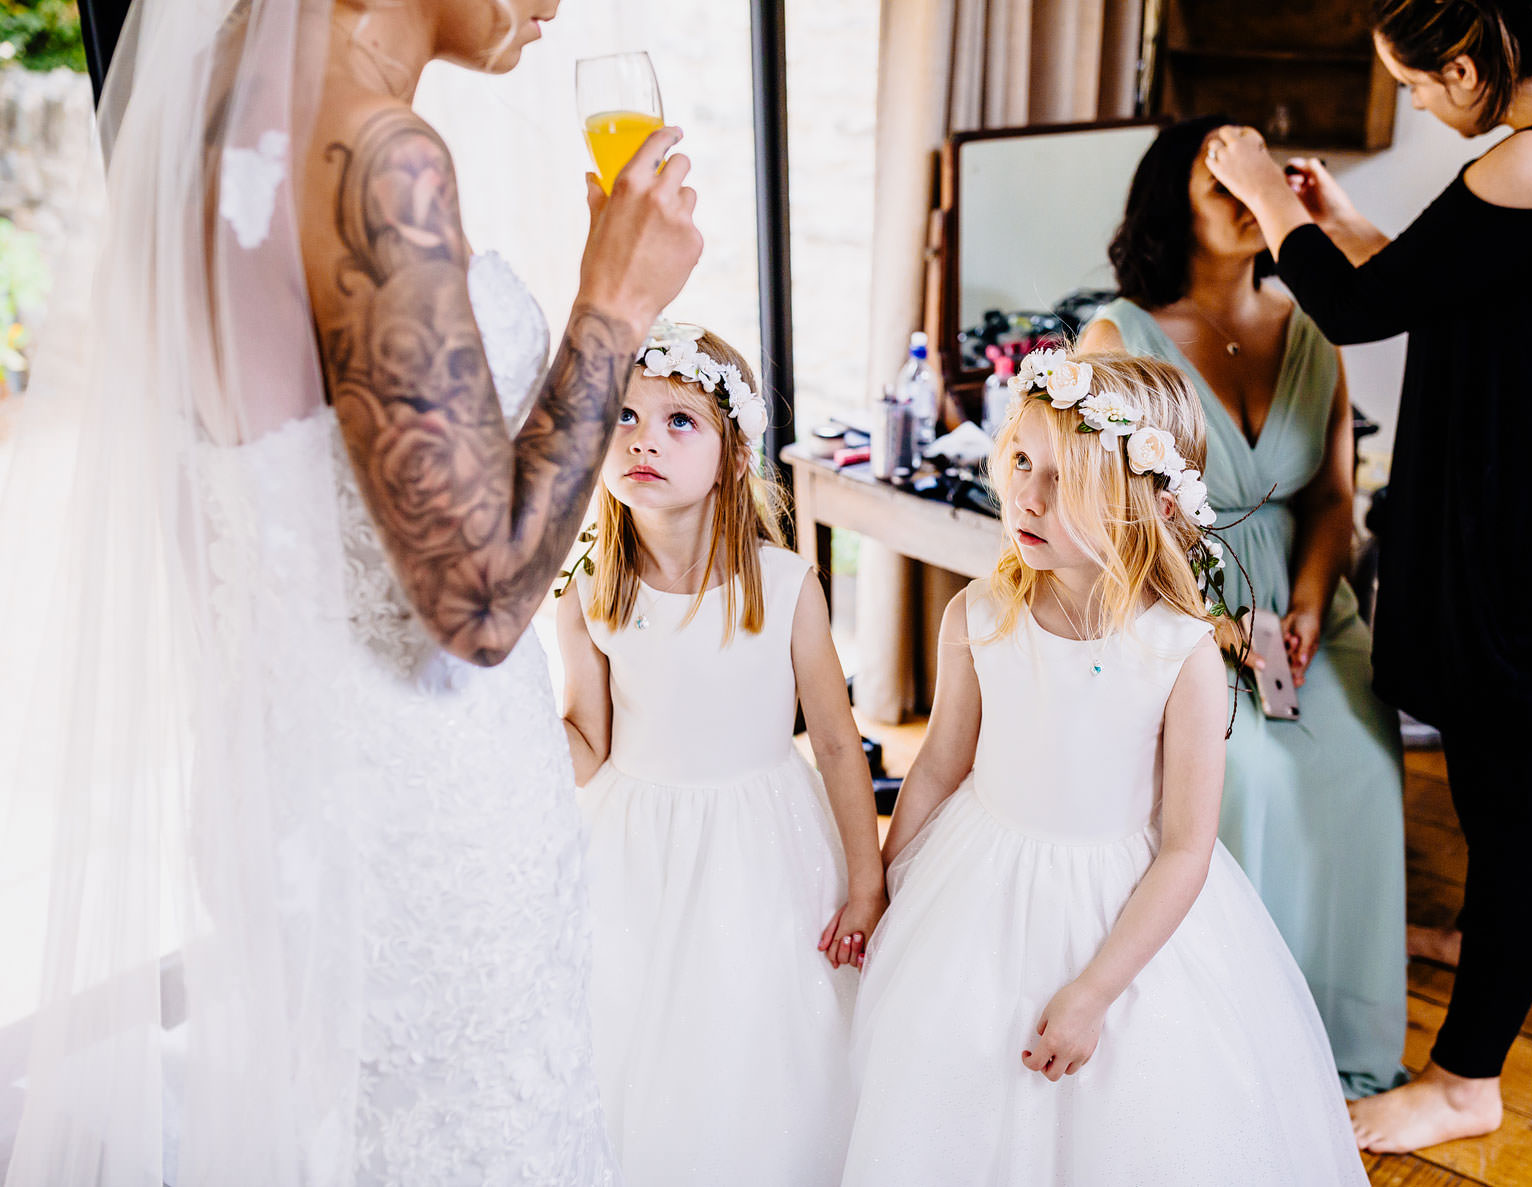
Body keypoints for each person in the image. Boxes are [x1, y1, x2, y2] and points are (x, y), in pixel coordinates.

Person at [0, 1, 700, 1181]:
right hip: (425, 822)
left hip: (283, 778)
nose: (553, 4)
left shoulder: (208, 114)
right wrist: (615, 309)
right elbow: (477, 601)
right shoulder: (379, 158)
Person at [1204, 0, 1532, 1153]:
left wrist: (1267, 191)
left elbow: (1366, 308)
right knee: (1500, 785)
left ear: (1466, 61)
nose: (1417, 102)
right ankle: (1486, 941)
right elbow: (1433, 285)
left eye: (1417, 83)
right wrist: (1339, 216)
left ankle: (1467, 1079)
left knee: (1516, 805)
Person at [841, 349, 1367, 1185]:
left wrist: (1092, 991)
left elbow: (1187, 849)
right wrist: (890, 884)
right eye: (1022, 458)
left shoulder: (1179, 654)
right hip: (976, 886)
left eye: (1067, 477)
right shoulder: (977, 616)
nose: (1029, 494)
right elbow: (939, 765)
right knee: (957, 1085)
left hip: (1121, 917)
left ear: (1146, 506)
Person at [1083, 115, 1408, 1098]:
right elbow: (1111, 516)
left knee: (1362, 762)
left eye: (1257, 173)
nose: (1242, 190)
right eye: (1218, 175)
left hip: (1306, 608)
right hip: (1174, 604)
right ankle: (1230, 1032)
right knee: (1253, 777)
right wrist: (1216, 625)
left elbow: (1330, 498)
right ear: (1167, 200)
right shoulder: (1118, 336)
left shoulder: (1314, 323)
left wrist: (1309, 604)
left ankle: (1333, 1032)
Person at [556, 322, 885, 1184]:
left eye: (678, 422)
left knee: (759, 1027)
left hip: (762, 840)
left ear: (735, 456)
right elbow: (588, 742)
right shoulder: (590, 591)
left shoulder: (781, 587)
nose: (642, 440)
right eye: (624, 417)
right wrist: (510, 718)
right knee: (645, 1026)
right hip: (636, 847)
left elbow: (841, 746)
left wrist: (865, 878)